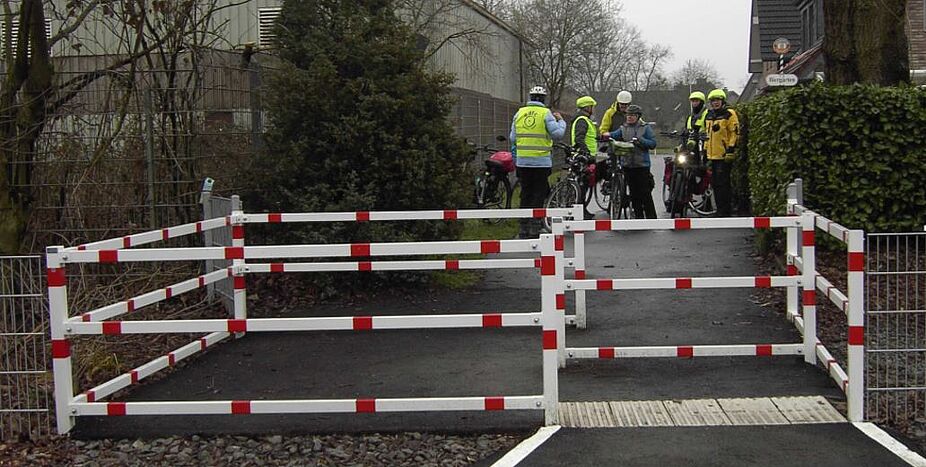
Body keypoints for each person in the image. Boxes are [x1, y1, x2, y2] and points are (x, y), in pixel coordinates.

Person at [509, 85, 566, 238]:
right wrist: (561, 121)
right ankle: (535, 226)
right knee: (539, 193)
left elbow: (513, 138)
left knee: (526, 193)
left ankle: (523, 226)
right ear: (543, 99)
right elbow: (558, 134)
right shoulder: (545, 113)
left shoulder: (519, 113)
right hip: (541, 162)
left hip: (522, 162)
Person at [602, 104, 658, 219]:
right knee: (634, 194)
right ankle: (638, 218)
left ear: (638, 116)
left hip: (642, 165)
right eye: (628, 115)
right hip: (628, 165)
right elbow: (615, 135)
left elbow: (652, 144)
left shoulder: (645, 128)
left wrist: (640, 140)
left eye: (632, 115)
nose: (629, 117)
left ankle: (651, 218)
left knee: (645, 193)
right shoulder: (624, 128)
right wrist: (606, 135)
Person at [703, 88, 740, 217]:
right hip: (712, 155)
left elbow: (734, 133)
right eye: (713, 101)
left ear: (722, 101)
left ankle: (726, 210)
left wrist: (730, 149)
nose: (715, 103)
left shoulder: (729, 114)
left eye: (717, 100)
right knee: (715, 184)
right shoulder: (708, 115)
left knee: (723, 183)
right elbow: (707, 134)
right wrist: (705, 150)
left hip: (723, 155)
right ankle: (719, 209)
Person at [570, 96, 599, 220]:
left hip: (586, 156)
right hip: (583, 157)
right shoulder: (582, 120)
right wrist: (586, 152)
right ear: (587, 107)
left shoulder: (584, 119)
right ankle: (580, 211)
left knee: (584, 184)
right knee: (583, 185)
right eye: (592, 107)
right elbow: (579, 138)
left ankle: (581, 210)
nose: (593, 109)